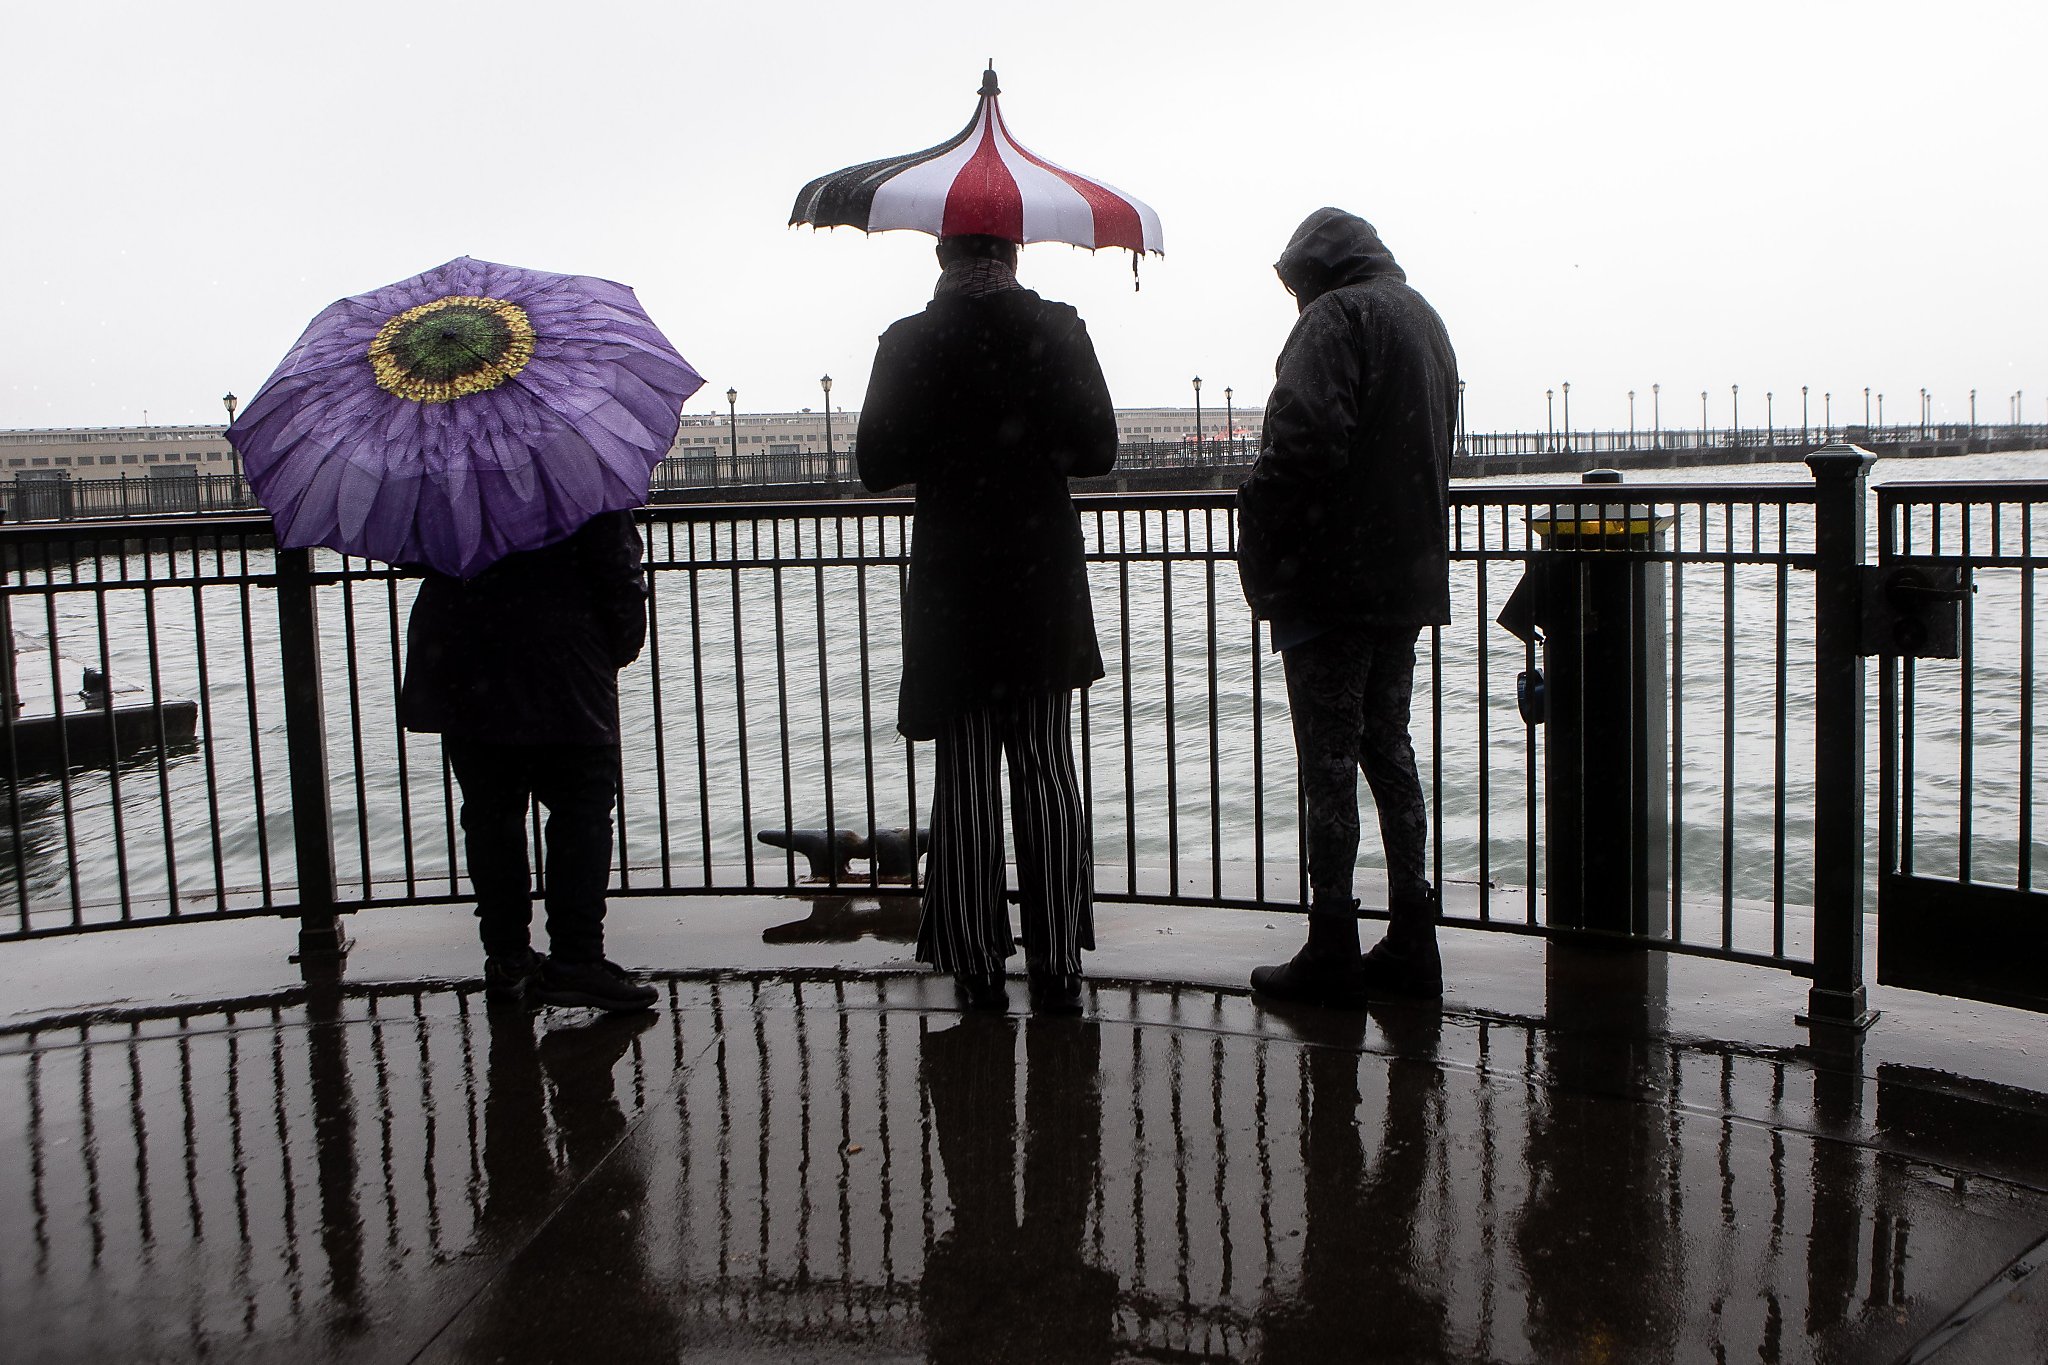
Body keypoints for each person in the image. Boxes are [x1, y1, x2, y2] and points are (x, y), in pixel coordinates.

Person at [856, 232, 1117, 1015]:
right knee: (1045, 768)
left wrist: (946, 432)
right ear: (1014, 253)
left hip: (953, 589)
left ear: (941, 258)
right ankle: (1059, 959)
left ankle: (975, 960)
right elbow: (1097, 446)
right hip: (1039, 583)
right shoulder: (1057, 327)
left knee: (966, 775)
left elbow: (875, 463)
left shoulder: (909, 340)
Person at [1236, 208, 1459, 1007]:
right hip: (1406, 581)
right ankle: (1413, 937)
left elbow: (1304, 443)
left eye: (1297, 286)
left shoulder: (1336, 318)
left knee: (1328, 764)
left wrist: (1256, 503)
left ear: (1315, 272)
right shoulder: (1425, 321)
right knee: (1389, 751)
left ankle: (1331, 942)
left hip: (1334, 583)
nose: (1296, 301)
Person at [399, 509, 658, 1012]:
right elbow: (618, 571)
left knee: (491, 815)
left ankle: (508, 960)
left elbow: (416, 556)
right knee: (580, 810)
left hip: (464, 659)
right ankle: (575, 960)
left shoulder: (447, 475)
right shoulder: (576, 468)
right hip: (562, 660)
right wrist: (614, 647)